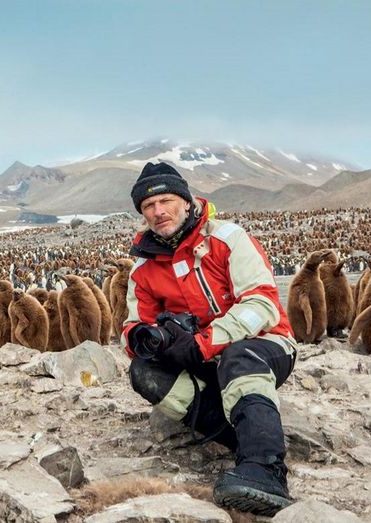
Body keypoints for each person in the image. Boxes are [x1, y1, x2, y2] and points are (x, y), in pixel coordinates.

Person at [122, 161, 297, 517]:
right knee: (145, 373)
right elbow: (132, 325)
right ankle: (238, 437)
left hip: (265, 344)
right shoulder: (144, 268)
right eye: (148, 207)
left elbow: (262, 302)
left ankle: (266, 469)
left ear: (186, 201)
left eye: (165, 200)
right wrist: (146, 337)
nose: (158, 212)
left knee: (239, 358)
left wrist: (205, 341)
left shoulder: (226, 238)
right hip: (199, 357)